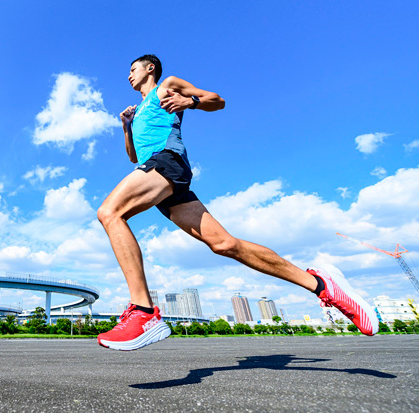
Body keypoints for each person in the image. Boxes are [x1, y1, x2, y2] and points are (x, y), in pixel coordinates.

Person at [96, 54, 378, 351]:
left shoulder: (166, 86)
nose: (129, 75)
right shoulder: (137, 110)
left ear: (149, 68)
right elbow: (132, 156)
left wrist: (189, 102)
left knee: (110, 212)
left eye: (133, 69)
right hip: (156, 175)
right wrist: (126, 126)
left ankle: (143, 312)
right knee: (225, 245)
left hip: (167, 163)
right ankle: (322, 286)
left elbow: (217, 100)